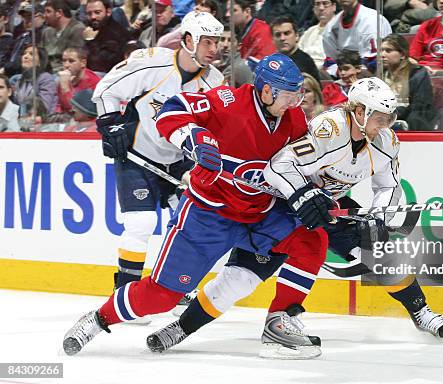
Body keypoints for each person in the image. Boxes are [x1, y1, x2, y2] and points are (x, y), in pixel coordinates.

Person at [146, 77, 443, 360]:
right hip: (282, 208)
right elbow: (281, 166)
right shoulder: (329, 129)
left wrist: (380, 214)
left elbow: (387, 185)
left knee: (378, 251)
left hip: (329, 207)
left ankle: (422, 312)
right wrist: (303, 196)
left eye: (389, 118)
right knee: (239, 279)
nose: (385, 124)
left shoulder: (387, 142)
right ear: (359, 111)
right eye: (379, 117)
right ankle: (181, 329)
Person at [62, 53, 331, 358]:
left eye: (298, 95)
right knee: (161, 297)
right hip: (208, 214)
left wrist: (317, 194)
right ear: (267, 90)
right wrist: (194, 137)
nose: (295, 103)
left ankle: (281, 320)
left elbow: (303, 167)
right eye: (289, 95)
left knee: (313, 236)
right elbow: (171, 110)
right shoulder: (226, 101)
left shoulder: (294, 119)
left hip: (261, 214)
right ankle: (97, 320)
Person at [90, 11, 225, 314]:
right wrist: (110, 123)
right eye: (207, 41)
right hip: (138, 155)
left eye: (216, 42)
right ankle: (125, 290)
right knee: (141, 223)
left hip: (178, 162)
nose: (213, 48)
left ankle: (176, 288)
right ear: (188, 40)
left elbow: (215, 128)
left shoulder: (214, 82)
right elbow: (106, 89)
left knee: (190, 223)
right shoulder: (152, 62)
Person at [381, 33, 437, 130]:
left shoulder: (418, 74)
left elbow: (420, 107)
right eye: (382, 50)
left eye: (388, 50)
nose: (383, 54)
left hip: (411, 123)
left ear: (402, 54)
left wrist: (395, 114)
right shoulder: (380, 75)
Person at [322, 0, 392, 72]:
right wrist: (340, 72)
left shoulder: (372, 20)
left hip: (375, 73)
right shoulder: (331, 27)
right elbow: (330, 62)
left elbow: (377, 61)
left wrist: (353, 72)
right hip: (344, 74)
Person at [83, 0, 131, 74]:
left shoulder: (116, 33)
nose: (93, 17)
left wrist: (90, 41)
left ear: (108, 12)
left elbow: (99, 64)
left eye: (97, 12)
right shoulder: (91, 30)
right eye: (89, 13)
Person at [271, 15, 321, 84]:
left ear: (297, 36)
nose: (282, 38)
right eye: (278, 35)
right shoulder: (270, 62)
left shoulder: (305, 62)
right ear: (273, 40)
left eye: (287, 33)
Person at [13, 45, 58, 118]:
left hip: (43, 122)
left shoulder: (46, 78)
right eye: (24, 53)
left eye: (31, 54)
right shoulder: (19, 80)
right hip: (23, 121)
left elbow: (44, 107)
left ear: (40, 61)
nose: (25, 56)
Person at [41, 0, 86, 73]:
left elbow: (75, 59)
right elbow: (41, 56)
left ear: (59, 13)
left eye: (48, 11)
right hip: (47, 72)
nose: (44, 15)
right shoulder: (47, 32)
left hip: (66, 72)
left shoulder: (77, 29)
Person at [56, 47, 101, 115]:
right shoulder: (64, 78)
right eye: (64, 61)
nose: (66, 65)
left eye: (71, 61)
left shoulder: (94, 82)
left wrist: (65, 88)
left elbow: (78, 112)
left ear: (83, 63)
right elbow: (60, 107)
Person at [298, 0, 337, 70]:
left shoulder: (341, 30)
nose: (321, 8)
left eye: (325, 3)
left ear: (334, 6)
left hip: (327, 74)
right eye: (317, 4)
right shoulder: (309, 32)